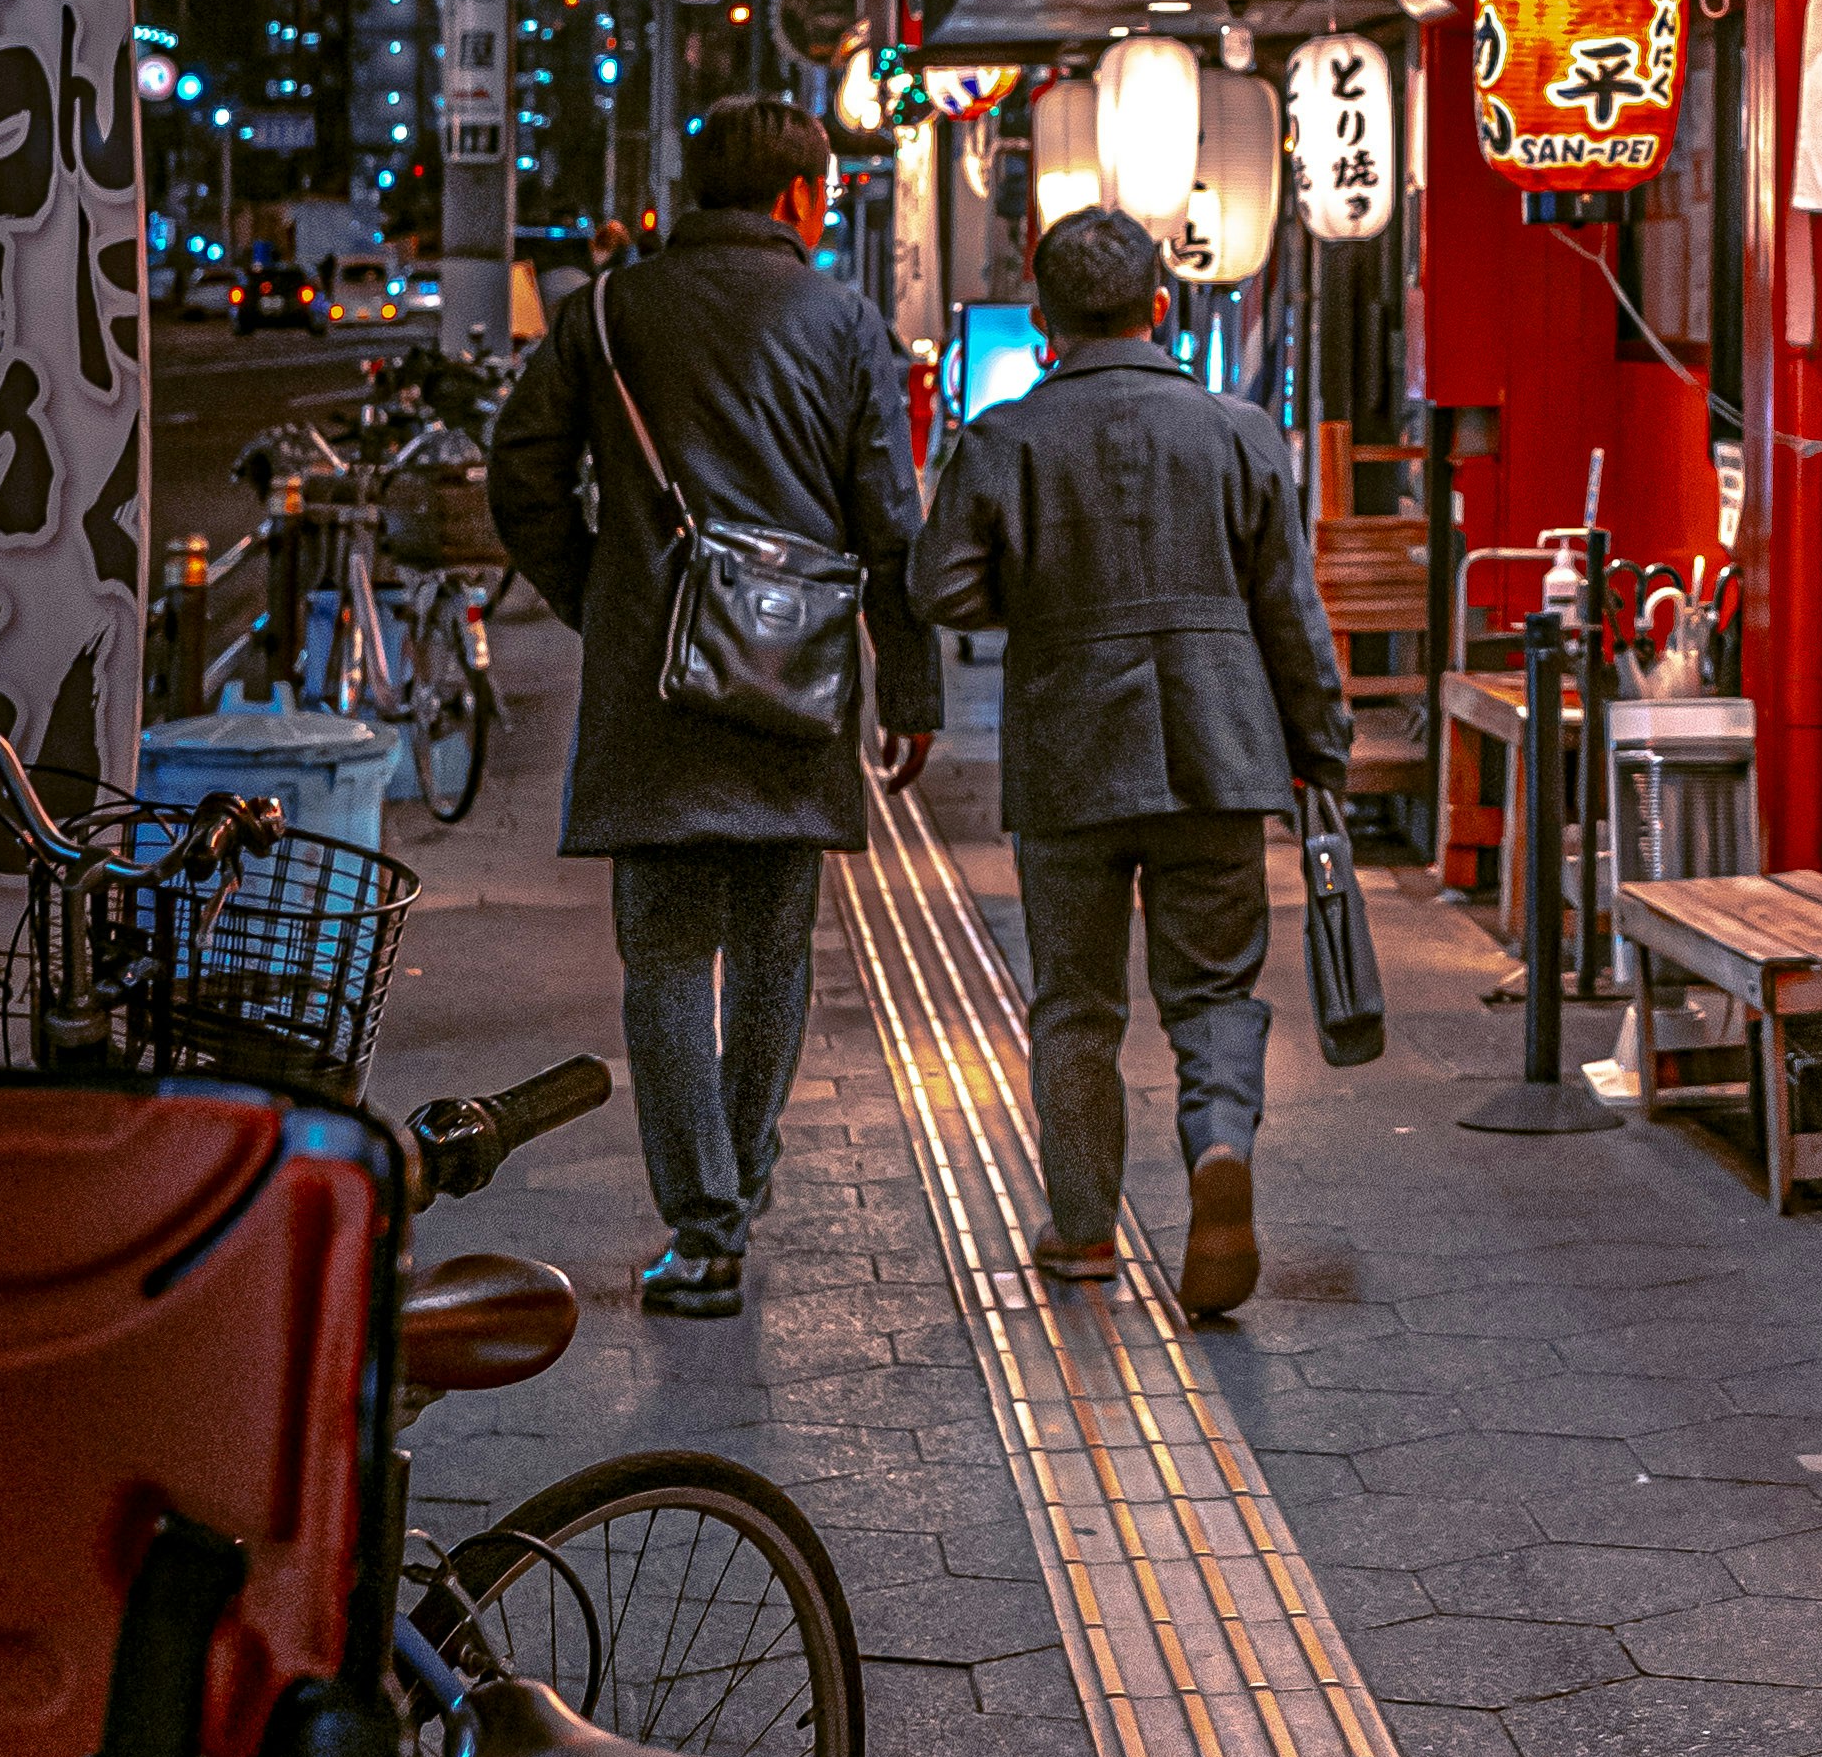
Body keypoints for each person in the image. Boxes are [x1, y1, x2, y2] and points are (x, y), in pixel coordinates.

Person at [490, 94, 934, 1317]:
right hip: (792, 684)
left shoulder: (611, 310)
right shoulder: (845, 322)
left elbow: (519, 473)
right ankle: (740, 1184)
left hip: (656, 692)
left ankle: (705, 1224)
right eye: (829, 189)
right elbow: (890, 523)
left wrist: (611, 598)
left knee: (670, 955)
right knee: (777, 943)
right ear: (795, 197)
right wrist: (913, 679)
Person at [910, 203, 1347, 1322]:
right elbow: (1290, 613)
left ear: (1042, 319)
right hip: (1221, 750)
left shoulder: (1002, 440)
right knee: (1211, 985)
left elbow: (939, 588)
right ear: (1162, 306)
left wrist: (1050, 605)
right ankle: (1214, 1146)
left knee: (1075, 1004)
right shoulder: (1240, 432)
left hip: (1069, 758)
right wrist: (1319, 751)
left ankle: (1086, 1229)